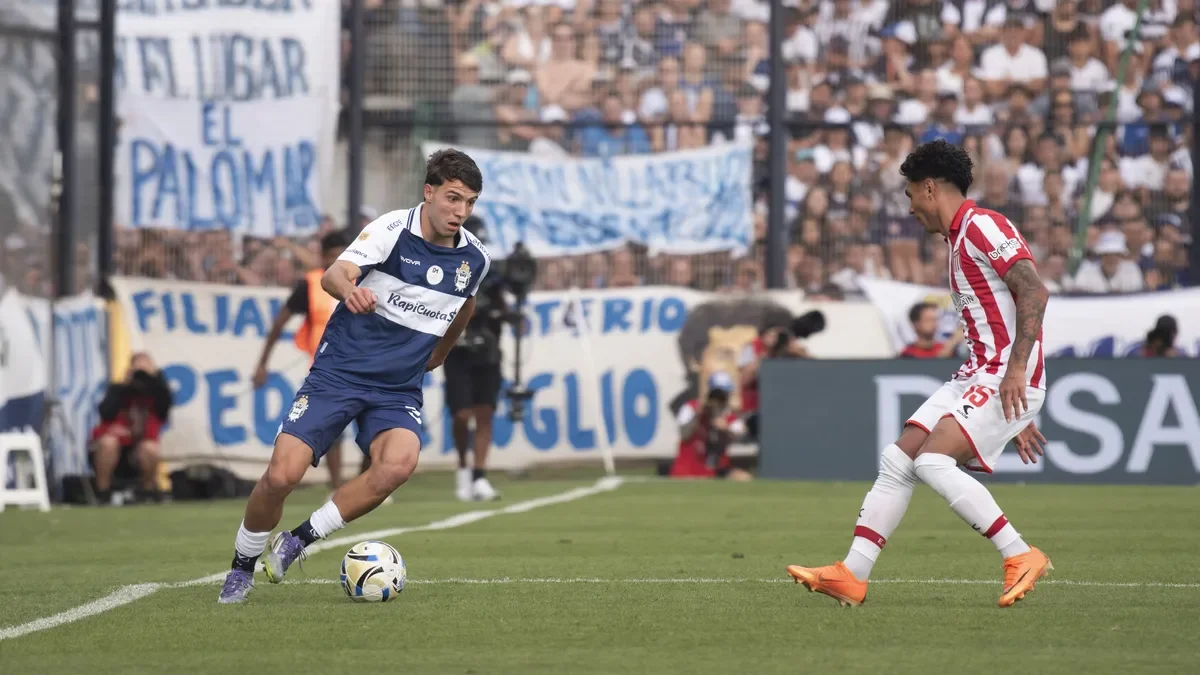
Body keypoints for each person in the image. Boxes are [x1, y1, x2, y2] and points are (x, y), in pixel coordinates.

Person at [786, 140, 1052, 608]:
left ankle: (1020, 553)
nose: (910, 208)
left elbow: (1034, 290)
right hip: (978, 376)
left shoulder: (984, 226)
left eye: (910, 195)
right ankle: (852, 574)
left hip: (999, 376)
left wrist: (1017, 376)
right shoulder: (958, 240)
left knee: (931, 463)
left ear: (930, 188)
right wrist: (1015, 409)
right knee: (899, 460)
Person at [218, 150, 490, 603]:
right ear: (429, 191)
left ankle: (297, 541)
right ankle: (241, 567)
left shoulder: (474, 259)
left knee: (398, 465)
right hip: (339, 374)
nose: (460, 211)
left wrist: (441, 352)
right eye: (453, 198)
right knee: (281, 477)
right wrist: (351, 291)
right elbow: (333, 274)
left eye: (470, 202)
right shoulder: (390, 230)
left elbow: (466, 306)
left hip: (397, 389)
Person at [252, 232, 354, 493]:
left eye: (341, 256)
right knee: (332, 429)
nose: (336, 261)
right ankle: (335, 488)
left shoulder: (360, 278)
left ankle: (367, 481)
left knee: (374, 424)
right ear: (322, 257)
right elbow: (279, 323)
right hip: (327, 368)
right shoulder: (311, 284)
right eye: (331, 256)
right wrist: (263, 363)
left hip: (364, 362)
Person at [444, 216, 506, 502]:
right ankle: (463, 468)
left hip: (487, 352)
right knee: (461, 414)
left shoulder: (492, 274)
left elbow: (501, 309)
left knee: (485, 413)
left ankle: (480, 474)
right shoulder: (447, 268)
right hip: (457, 351)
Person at [90, 353, 173, 504]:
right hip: (116, 447)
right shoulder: (117, 390)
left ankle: (147, 492)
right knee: (108, 443)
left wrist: (155, 380)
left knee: (150, 448)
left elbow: (164, 408)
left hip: (139, 449)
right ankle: (102, 492)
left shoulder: (157, 393)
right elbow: (105, 412)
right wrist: (126, 384)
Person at [671, 371, 752, 481]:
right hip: (689, 471)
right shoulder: (690, 408)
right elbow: (683, 433)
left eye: (722, 395)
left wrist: (725, 428)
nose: (718, 400)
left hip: (715, 471)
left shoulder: (728, 416)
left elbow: (741, 431)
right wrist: (697, 416)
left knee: (744, 478)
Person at [899, 301, 963, 358]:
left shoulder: (944, 348)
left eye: (935, 320)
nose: (934, 324)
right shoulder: (908, 354)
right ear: (916, 324)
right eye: (929, 320)